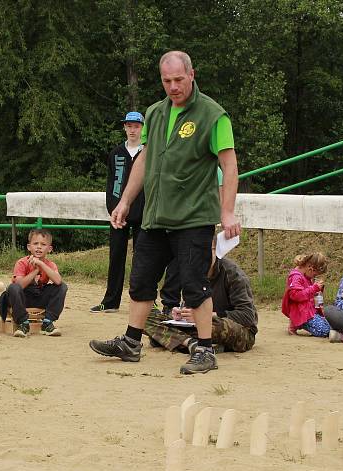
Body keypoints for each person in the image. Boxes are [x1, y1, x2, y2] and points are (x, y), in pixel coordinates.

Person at [90, 50, 242, 375]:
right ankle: (131, 343)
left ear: (191, 74)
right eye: (166, 80)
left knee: (193, 283)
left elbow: (229, 166)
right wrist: (126, 200)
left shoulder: (214, 115)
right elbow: (143, 161)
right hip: (155, 215)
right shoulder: (155, 113)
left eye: (178, 79)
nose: (172, 87)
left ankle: (205, 350)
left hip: (193, 216)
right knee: (141, 278)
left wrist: (227, 212)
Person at [145, 236, 257, 353]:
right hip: (196, 326)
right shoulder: (190, 272)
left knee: (210, 327)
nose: (202, 256)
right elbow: (192, 307)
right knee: (146, 317)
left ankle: (170, 339)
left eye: (206, 251)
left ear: (216, 251)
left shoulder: (233, 274)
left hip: (236, 330)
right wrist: (182, 313)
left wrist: (208, 315)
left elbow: (248, 316)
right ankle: (189, 343)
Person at [90, 111, 145, 314]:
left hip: (143, 214)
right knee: (116, 256)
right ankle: (111, 300)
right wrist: (114, 210)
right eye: (129, 126)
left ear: (142, 128)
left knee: (144, 259)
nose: (132, 130)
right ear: (124, 127)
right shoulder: (116, 153)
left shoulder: (148, 152)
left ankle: (146, 299)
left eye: (136, 126)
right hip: (118, 216)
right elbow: (111, 185)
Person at [6, 228, 67, 337]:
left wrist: (42, 265)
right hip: (22, 298)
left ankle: (47, 323)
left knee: (62, 286)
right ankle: (23, 323)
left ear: (49, 249)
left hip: (39, 297)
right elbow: (19, 285)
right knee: (13, 287)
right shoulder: (22, 262)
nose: (39, 247)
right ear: (29, 247)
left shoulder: (50, 264)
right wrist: (36, 271)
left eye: (43, 244)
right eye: (35, 244)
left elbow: (58, 281)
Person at [281, 252, 331, 337]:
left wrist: (319, 290)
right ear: (310, 268)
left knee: (332, 325)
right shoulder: (296, 277)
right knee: (326, 331)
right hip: (303, 314)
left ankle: (296, 323)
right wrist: (314, 288)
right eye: (315, 274)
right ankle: (297, 322)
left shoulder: (306, 276)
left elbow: (311, 295)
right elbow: (295, 295)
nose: (313, 277)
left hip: (310, 312)